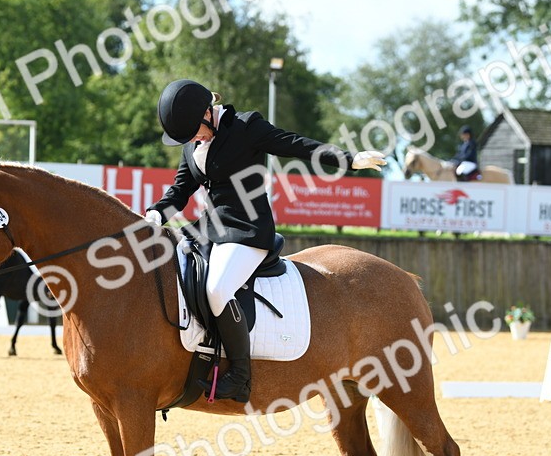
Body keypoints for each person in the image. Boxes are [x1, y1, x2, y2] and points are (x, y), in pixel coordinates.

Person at [144, 79, 386, 403]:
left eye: (192, 132)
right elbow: (180, 189)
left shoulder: (246, 127)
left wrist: (349, 159)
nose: (191, 140)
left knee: (217, 289)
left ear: (206, 113)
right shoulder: (193, 145)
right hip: (209, 228)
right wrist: (157, 212)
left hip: (247, 229)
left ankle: (240, 376)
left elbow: (296, 145)